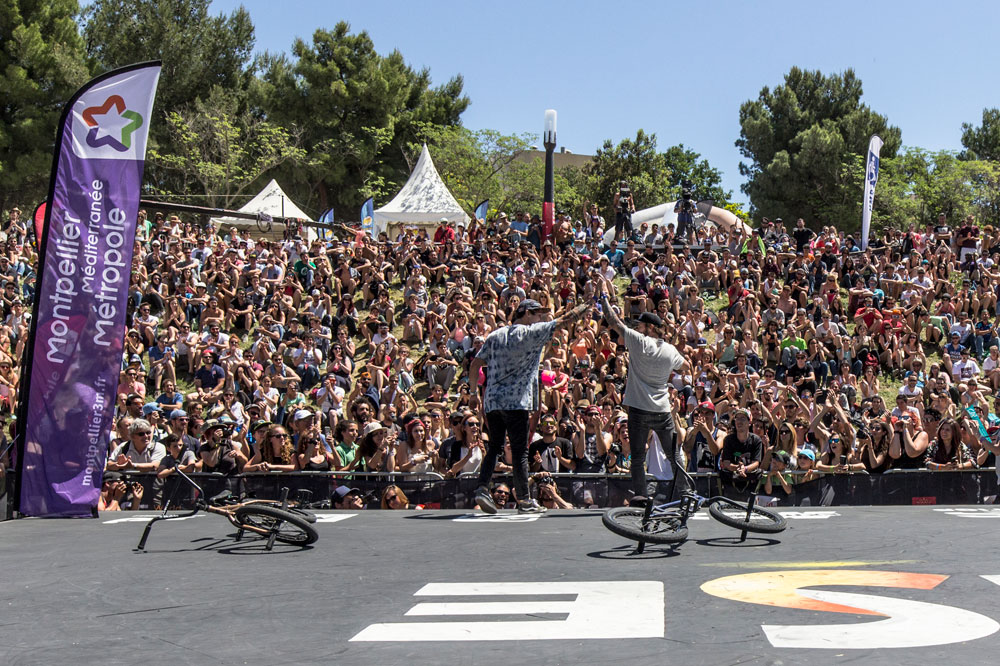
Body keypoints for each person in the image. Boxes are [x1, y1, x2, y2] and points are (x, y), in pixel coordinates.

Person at [468, 299, 589, 513]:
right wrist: (587, 304)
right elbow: (564, 320)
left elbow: (476, 363)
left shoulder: (495, 335)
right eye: (537, 314)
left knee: (495, 446)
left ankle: (481, 488)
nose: (540, 318)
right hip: (516, 402)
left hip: (493, 402)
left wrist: (472, 393)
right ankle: (524, 500)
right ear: (525, 313)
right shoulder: (531, 333)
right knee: (520, 451)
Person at [597, 276, 686, 505]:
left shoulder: (638, 341)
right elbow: (685, 366)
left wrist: (604, 294)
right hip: (662, 409)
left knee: (637, 457)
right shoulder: (669, 349)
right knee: (673, 455)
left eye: (640, 325)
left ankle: (641, 497)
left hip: (638, 408)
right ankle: (684, 492)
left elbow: (613, 321)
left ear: (648, 327)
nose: (637, 328)